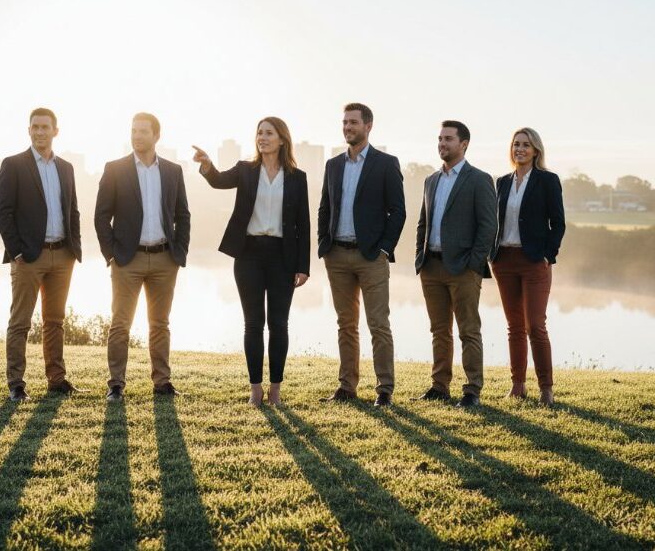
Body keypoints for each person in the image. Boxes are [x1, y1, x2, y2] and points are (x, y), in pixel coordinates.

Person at [191, 116, 310, 407]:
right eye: (259, 133)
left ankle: (276, 390)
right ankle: (255, 389)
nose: (262, 137)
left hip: (283, 256)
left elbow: (303, 224)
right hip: (249, 255)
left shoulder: (297, 177)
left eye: (269, 133)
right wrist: (207, 165)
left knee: (279, 324)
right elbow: (219, 181)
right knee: (253, 324)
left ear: (282, 139)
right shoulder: (245, 170)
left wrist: (303, 266)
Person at [94, 112, 191, 401]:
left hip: (164, 259)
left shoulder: (173, 171)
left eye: (143, 131)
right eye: (133, 131)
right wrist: (111, 254)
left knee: (160, 324)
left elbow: (182, 215)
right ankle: (116, 385)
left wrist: (179, 253)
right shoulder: (115, 169)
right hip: (127, 259)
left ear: (156, 136)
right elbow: (101, 216)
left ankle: (162, 383)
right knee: (120, 324)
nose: (136, 136)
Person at [317, 103, 406, 407]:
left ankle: (384, 389)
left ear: (368, 126)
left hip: (371, 257)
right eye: (344, 122)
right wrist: (323, 244)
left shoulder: (385, 163)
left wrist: (384, 248)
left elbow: (398, 211)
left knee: (378, 323)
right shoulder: (333, 165)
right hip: (337, 255)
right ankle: (346, 386)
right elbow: (324, 208)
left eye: (353, 122)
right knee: (346, 323)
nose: (347, 127)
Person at [0, 107, 83, 402]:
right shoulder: (13, 165)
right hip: (27, 257)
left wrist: (75, 249)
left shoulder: (66, 168)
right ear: (29, 130)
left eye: (45, 127)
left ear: (55, 131)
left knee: (55, 322)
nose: (40, 132)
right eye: (35, 127)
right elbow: (3, 212)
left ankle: (56, 380)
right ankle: (16, 384)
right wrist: (16, 251)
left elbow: (73, 210)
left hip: (62, 255)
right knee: (20, 322)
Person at [415, 120, 496, 407]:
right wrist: (419, 259)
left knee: (468, 330)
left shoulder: (479, 179)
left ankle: (472, 390)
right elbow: (423, 224)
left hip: (463, 269)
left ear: (464, 144)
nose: (442, 144)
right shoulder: (431, 180)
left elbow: (488, 227)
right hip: (431, 266)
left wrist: (473, 263)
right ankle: (439, 386)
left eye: (448, 139)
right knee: (439, 330)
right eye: (440, 139)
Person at [490, 127, 566, 405]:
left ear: (536, 150)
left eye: (525, 145)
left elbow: (558, 223)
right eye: (516, 144)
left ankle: (546, 388)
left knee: (536, 325)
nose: (519, 149)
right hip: (504, 261)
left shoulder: (548, 180)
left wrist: (549, 255)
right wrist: (492, 253)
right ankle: (518, 385)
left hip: (534, 261)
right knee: (514, 327)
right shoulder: (502, 182)